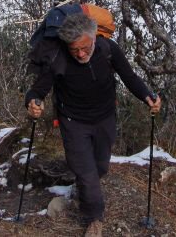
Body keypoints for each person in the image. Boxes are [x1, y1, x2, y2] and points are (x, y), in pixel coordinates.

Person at [25, 13, 161, 237]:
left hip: (105, 118)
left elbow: (129, 76)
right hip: (74, 122)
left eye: (85, 48)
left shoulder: (108, 50)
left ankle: (85, 189)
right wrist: (32, 102)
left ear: (94, 39)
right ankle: (94, 218)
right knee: (86, 172)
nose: (80, 53)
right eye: (74, 49)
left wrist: (147, 96)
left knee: (100, 167)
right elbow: (37, 90)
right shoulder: (58, 57)